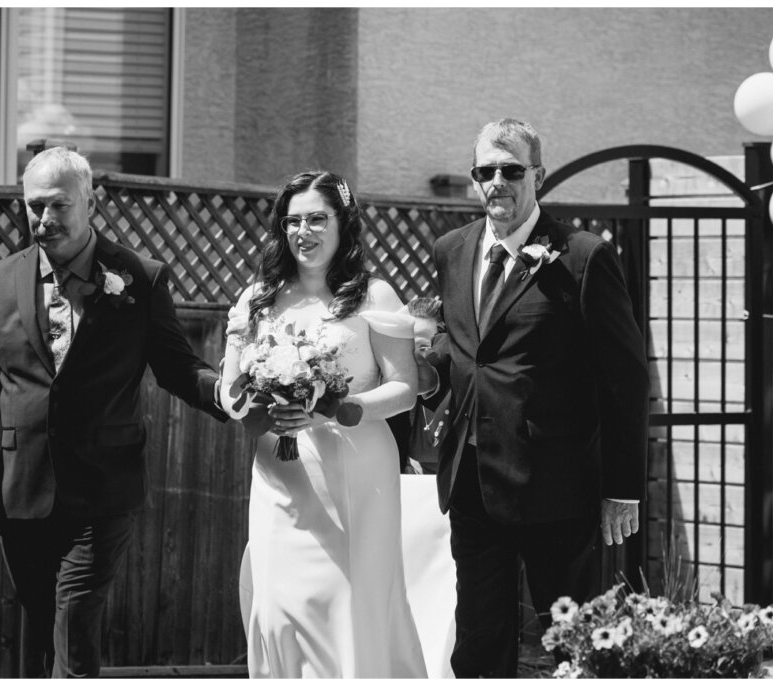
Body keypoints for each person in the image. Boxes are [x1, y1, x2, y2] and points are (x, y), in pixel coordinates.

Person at [0, 146, 226, 678]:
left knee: (74, 624)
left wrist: (225, 395)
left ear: (91, 202)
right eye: (33, 207)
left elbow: (176, 366)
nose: (43, 220)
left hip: (103, 490)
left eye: (57, 206)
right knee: (36, 625)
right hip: (20, 490)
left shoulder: (139, 278)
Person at [420, 119, 649, 677]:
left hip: (558, 488)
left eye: (510, 169)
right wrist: (428, 379)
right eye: (485, 171)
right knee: (478, 638)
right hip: (472, 480)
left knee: (573, 641)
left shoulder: (583, 256)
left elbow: (624, 378)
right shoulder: (452, 250)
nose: (496, 181)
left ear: (537, 176)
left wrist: (622, 488)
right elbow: (462, 345)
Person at [221, 170, 428, 678]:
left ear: (344, 223)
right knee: (278, 604)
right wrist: (264, 404)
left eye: (317, 218)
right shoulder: (257, 298)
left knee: (352, 602)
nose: (303, 232)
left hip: (356, 471)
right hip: (280, 475)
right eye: (292, 222)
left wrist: (334, 408)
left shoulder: (373, 296)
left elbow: (405, 387)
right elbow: (229, 392)